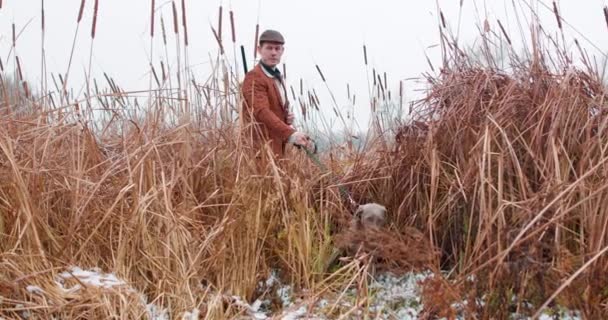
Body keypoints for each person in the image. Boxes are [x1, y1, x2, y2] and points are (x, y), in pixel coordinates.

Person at [241, 29, 313, 159]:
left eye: (277, 48)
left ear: (282, 51)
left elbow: (274, 110)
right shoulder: (254, 77)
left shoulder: (276, 77)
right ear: (259, 49)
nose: (273, 53)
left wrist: (286, 118)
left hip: (276, 147)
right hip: (260, 150)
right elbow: (261, 111)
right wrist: (291, 134)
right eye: (269, 48)